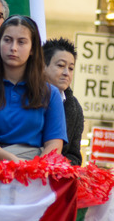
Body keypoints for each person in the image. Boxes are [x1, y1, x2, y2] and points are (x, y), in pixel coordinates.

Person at [0, 15, 67, 161]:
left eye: (21, 42)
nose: (13, 48)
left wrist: (33, 169)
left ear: (32, 49)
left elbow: (54, 144)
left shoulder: (51, 94)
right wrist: (13, 161)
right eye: (7, 40)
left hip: (35, 175)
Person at [43, 38, 83, 166]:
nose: (66, 73)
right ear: (42, 66)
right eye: (60, 65)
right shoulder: (24, 94)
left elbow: (74, 155)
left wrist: (59, 168)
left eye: (71, 68)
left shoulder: (75, 107)